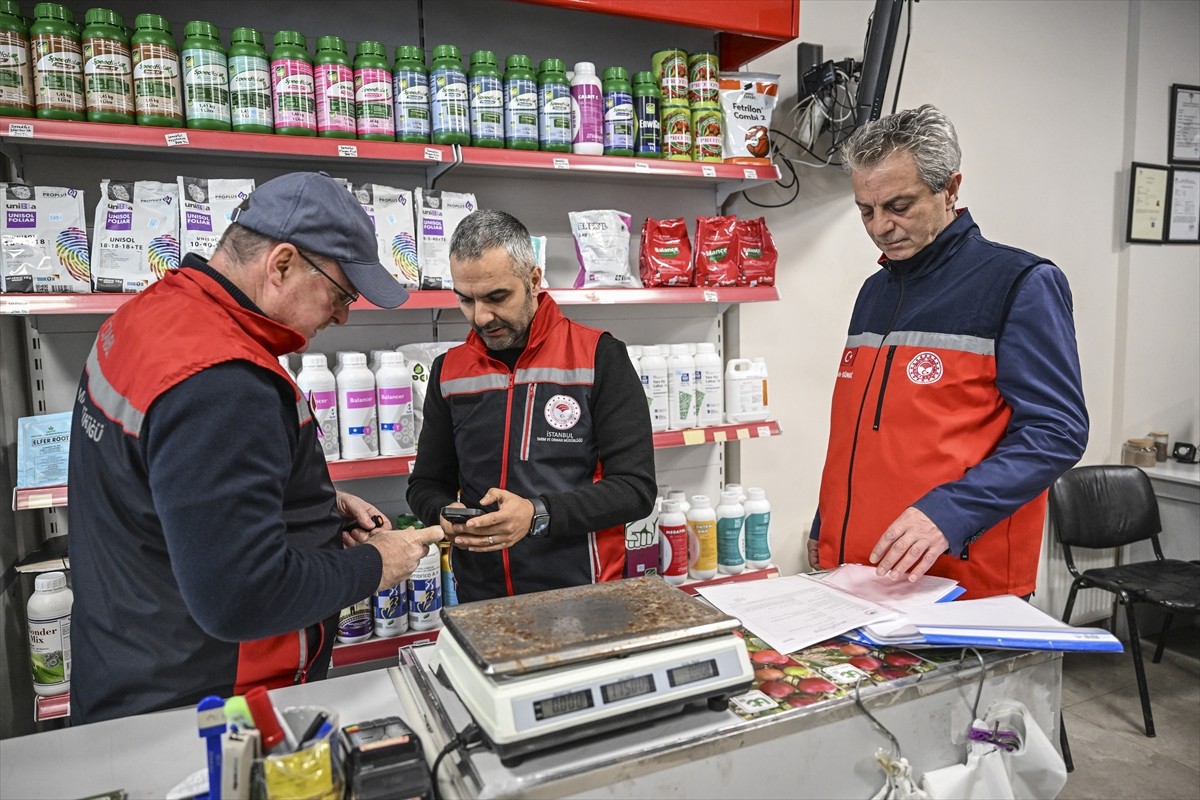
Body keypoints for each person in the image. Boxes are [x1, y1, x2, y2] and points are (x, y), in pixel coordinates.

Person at [68, 172, 444, 724]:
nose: (343, 315)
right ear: (282, 264)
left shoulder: (157, 314)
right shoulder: (222, 380)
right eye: (341, 294)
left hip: (130, 663)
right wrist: (373, 565)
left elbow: (173, 481)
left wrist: (307, 501)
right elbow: (241, 597)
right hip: (205, 707)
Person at [808, 105, 1088, 599]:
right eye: (866, 211)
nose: (880, 227)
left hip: (961, 577)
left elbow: (1057, 432)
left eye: (899, 206)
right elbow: (860, 432)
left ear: (950, 189)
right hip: (857, 567)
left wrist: (951, 512)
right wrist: (825, 522)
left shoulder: (1019, 283)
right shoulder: (874, 291)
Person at [406, 209, 656, 602]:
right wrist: (442, 513)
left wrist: (538, 514)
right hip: (481, 599)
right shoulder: (449, 370)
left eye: (497, 297)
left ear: (534, 280)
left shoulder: (598, 356)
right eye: (466, 300)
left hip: (585, 596)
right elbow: (425, 483)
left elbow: (635, 489)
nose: (482, 317)